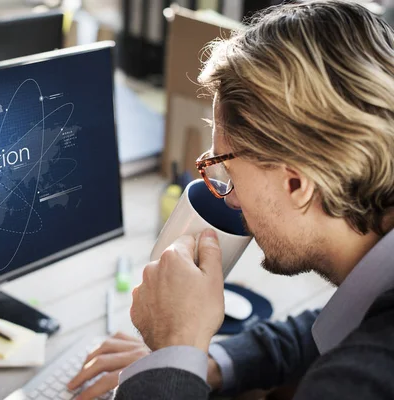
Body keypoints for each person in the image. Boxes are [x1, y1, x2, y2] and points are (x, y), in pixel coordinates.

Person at [67, 1, 394, 399]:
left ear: (297, 184)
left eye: (227, 171)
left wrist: (174, 347)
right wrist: (201, 362)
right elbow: (331, 329)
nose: (231, 200)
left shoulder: (363, 381)